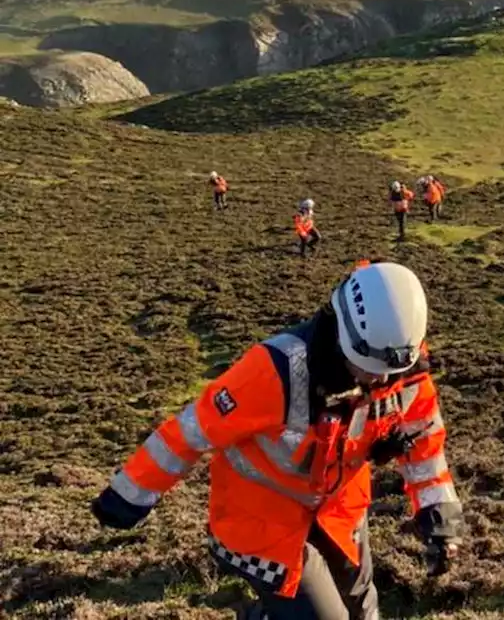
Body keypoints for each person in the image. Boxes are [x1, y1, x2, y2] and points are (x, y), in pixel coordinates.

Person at [90, 260, 465, 619]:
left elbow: (424, 447)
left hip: (339, 512)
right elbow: (192, 431)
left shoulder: (404, 370)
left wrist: (439, 520)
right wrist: (128, 497)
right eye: (368, 369)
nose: (380, 381)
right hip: (259, 525)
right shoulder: (275, 371)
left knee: (363, 612)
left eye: (388, 371)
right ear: (342, 336)